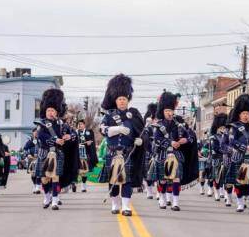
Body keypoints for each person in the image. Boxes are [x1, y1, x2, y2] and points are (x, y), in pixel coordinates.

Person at [98, 74, 145, 217]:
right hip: (112, 152)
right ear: (116, 101)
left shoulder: (134, 114)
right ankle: (115, 204)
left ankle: (126, 206)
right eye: (119, 99)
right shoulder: (109, 116)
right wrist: (116, 129)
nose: (122, 101)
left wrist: (140, 140)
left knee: (127, 180)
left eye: (124, 99)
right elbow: (102, 130)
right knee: (112, 180)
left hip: (127, 152)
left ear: (127, 100)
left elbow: (142, 132)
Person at [148, 92, 189, 211]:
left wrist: (184, 140)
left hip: (176, 155)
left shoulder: (179, 125)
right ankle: (162, 198)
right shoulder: (158, 125)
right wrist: (170, 143)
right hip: (162, 154)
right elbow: (157, 140)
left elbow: (190, 137)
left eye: (171, 110)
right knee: (162, 179)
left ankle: (175, 202)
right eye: (166, 111)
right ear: (163, 111)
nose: (169, 113)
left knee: (176, 178)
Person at [34, 88, 73, 210]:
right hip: (44, 153)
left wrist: (68, 136)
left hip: (57, 153)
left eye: (52, 110)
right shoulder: (41, 124)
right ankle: (47, 196)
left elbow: (73, 134)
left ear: (56, 112)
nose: (50, 112)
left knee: (56, 177)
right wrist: (55, 140)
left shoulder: (62, 125)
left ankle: (55, 201)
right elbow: (41, 136)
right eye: (48, 110)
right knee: (44, 179)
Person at [208, 113, 228, 202]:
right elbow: (215, 148)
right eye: (221, 128)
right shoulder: (213, 137)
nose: (222, 129)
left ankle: (224, 192)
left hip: (226, 158)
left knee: (226, 176)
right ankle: (216, 192)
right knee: (217, 176)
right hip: (216, 158)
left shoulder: (227, 137)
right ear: (217, 128)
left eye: (224, 128)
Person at [76, 119, 98, 192]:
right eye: (78, 124)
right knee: (74, 170)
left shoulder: (89, 132)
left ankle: (83, 185)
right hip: (76, 154)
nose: (80, 125)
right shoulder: (75, 132)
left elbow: (92, 141)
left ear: (84, 124)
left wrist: (89, 143)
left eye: (81, 124)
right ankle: (73, 183)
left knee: (84, 171)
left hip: (85, 154)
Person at [23, 128, 41, 194]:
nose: (36, 133)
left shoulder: (40, 140)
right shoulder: (30, 141)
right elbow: (25, 149)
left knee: (39, 174)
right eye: (35, 132)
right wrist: (28, 154)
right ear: (33, 133)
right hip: (32, 159)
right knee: (33, 175)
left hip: (40, 158)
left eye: (37, 132)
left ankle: (38, 187)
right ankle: (35, 185)